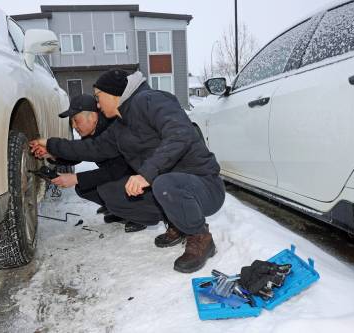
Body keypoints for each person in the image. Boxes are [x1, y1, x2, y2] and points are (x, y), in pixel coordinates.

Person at [30, 69, 225, 273]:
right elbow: (92, 148)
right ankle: (178, 222)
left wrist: (146, 174)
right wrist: (51, 145)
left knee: (162, 182)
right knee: (117, 195)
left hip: (204, 186)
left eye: (98, 98)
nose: (97, 104)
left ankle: (201, 237)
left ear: (114, 94)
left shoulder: (152, 100)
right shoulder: (120, 127)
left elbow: (180, 135)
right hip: (171, 188)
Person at [38, 93, 146, 232]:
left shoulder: (113, 131)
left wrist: (76, 178)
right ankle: (120, 210)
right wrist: (53, 155)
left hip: (137, 181)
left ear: (93, 116)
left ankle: (139, 215)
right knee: (84, 187)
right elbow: (79, 155)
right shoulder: (93, 131)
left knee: (103, 187)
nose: (74, 126)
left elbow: (116, 171)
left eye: (76, 120)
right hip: (119, 178)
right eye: (71, 122)